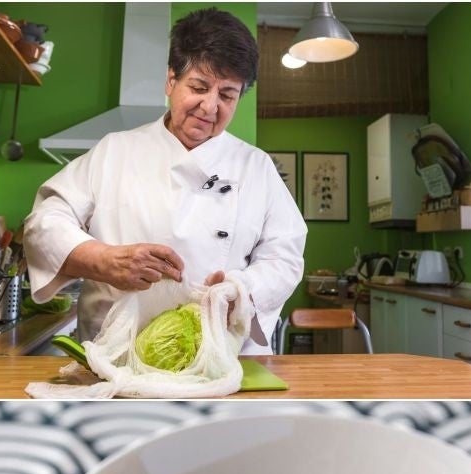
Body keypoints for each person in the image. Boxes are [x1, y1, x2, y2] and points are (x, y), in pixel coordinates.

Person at [24, 8, 306, 353]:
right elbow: (45, 222)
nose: (209, 106)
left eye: (227, 95)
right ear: (171, 80)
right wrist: (103, 260)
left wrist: (243, 290)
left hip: (222, 357)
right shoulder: (114, 151)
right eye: (199, 87)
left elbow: (285, 256)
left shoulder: (256, 167)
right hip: (116, 354)